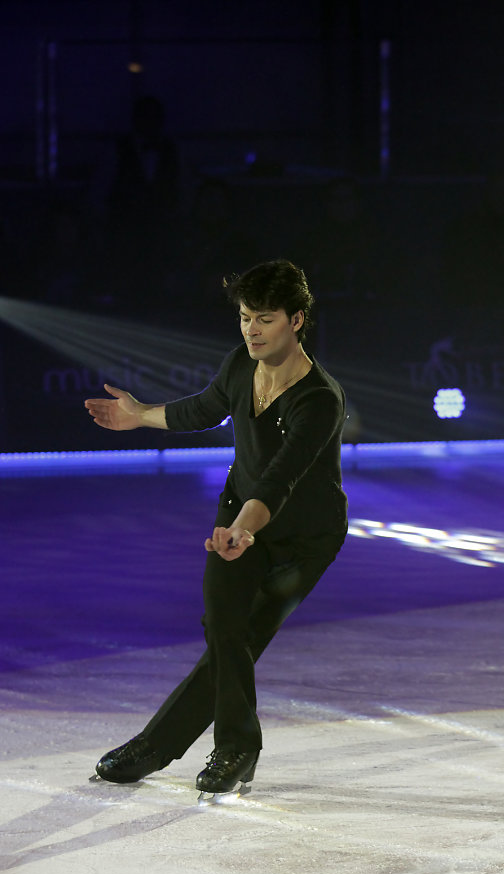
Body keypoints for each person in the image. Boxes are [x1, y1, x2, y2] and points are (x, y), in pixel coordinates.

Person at [84, 259, 348, 794]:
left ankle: (201, 749)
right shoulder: (238, 365)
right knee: (225, 632)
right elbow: (203, 408)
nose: (251, 330)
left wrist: (246, 529)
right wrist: (141, 416)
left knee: (242, 636)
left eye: (265, 319)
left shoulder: (319, 399)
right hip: (237, 519)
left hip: (302, 539)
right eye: (246, 317)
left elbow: (281, 478)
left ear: (296, 321)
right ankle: (204, 749)